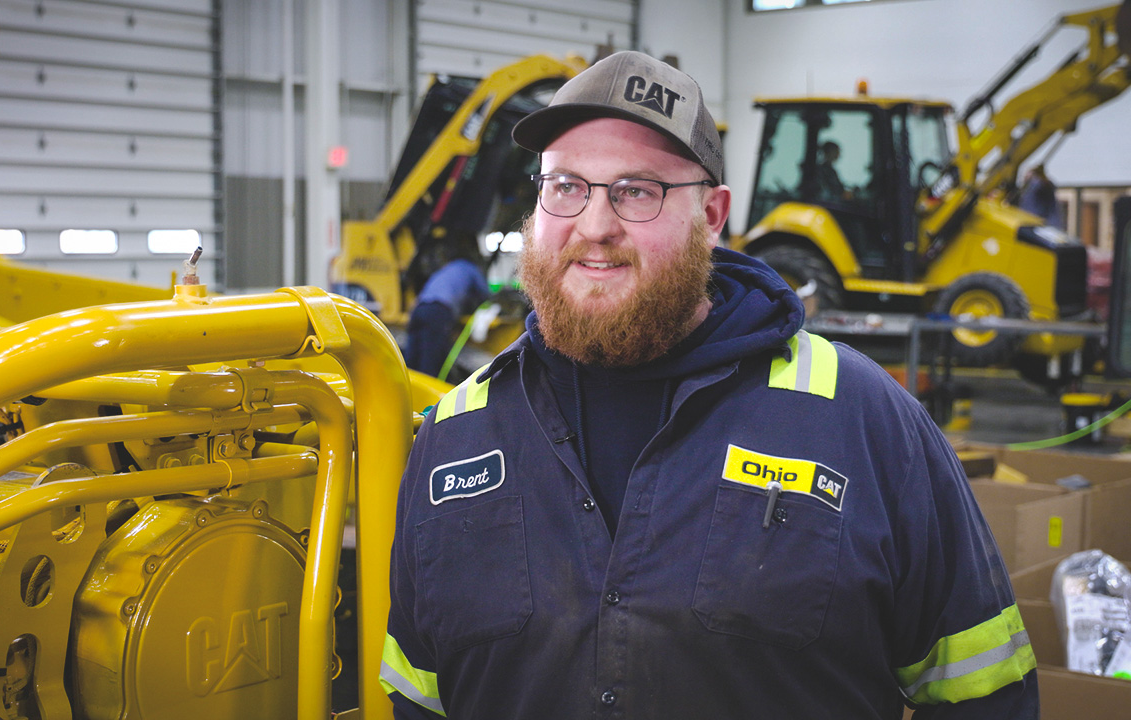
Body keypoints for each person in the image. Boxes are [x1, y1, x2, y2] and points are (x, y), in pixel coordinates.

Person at [382, 51, 1037, 719]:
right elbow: (416, 697)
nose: (596, 225)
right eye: (566, 186)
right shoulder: (453, 436)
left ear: (713, 214)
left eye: (637, 190)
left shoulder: (864, 422)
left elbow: (983, 693)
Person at [403, 244, 490, 377]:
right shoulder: (470, 268)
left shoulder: (445, 269)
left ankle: (410, 392)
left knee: (412, 360)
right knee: (430, 361)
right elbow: (485, 294)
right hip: (438, 311)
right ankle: (428, 396)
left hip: (419, 309)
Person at [1018, 165, 1063, 229]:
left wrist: (1038, 177)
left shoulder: (1037, 185)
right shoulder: (1027, 191)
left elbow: (1044, 185)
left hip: (1042, 225)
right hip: (1031, 224)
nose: (1024, 177)